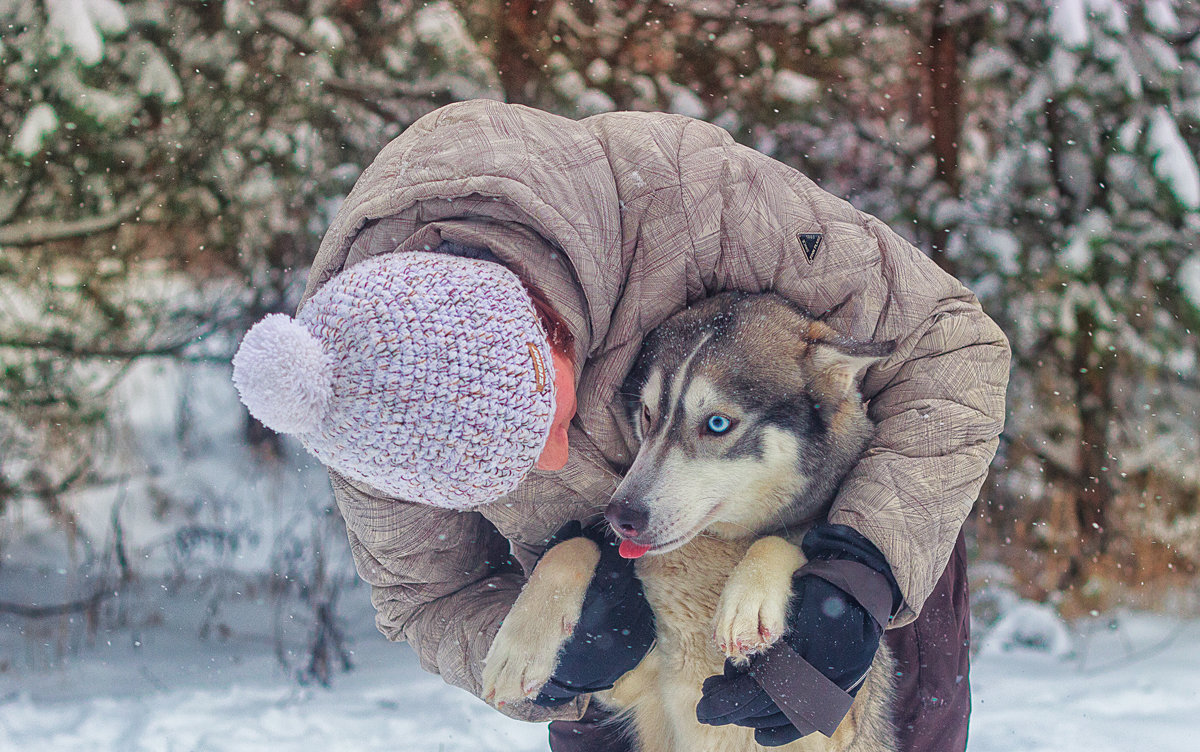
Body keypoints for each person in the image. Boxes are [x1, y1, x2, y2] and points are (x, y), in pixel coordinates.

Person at [232, 99, 1009, 751]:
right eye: (506, 471)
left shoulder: (687, 197)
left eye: (551, 417)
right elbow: (427, 598)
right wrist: (561, 665)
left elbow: (953, 346)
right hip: (625, 653)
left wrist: (862, 572)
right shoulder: (361, 409)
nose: (561, 458)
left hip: (841, 546)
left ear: (550, 326)